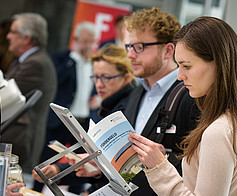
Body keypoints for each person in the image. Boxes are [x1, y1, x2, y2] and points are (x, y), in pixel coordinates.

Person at [128, 16, 237, 195]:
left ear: (218, 64)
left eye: (186, 66)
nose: (180, 76)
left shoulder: (219, 131)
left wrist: (159, 168)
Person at [32, 44, 137, 195]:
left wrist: (60, 171)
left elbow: (114, 167)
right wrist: (57, 170)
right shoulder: (110, 105)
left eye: (106, 78)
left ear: (126, 77)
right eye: (95, 77)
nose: (99, 84)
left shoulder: (126, 109)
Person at [122, 7, 199, 195]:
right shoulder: (136, 92)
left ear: (168, 50)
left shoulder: (192, 96)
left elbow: (199, 165)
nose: (131, 55)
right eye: (129, 47)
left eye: (139, 47)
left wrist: (163, 159)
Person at [32, 21, 97, 194]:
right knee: (48, 157)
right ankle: (37, 190)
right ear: (75, 40)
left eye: (91, 41)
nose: (88, 46)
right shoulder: (62, 58)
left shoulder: (94, 63)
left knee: (80, 161)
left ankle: (74, 192)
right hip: (61, 119)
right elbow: (56, 81)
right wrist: (74, 58)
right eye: (84, 41)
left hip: (82, 120)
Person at [2, 13, 57, 172]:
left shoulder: (36, 64)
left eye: (13, 32)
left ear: (26, 38)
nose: (8, 36)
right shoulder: (26, 60)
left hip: (19, 145)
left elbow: (5, 98)